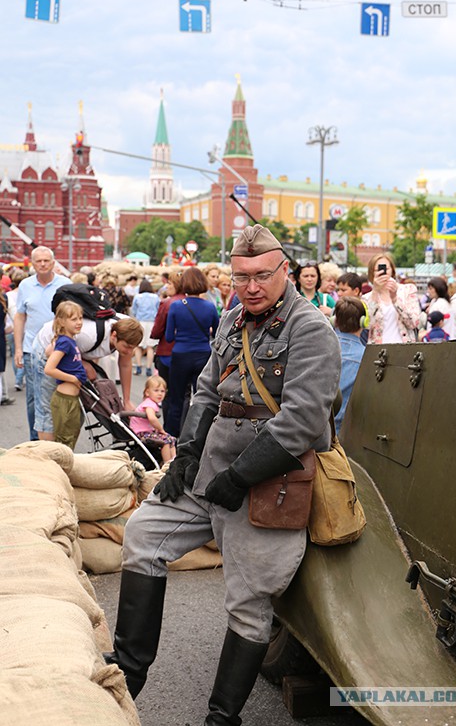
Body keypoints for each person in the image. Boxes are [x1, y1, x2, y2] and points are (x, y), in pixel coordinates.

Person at [105, 224, 340, 724]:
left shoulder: (311, 329)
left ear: (285, 272)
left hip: (270, 485)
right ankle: (127, 672)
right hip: (211, 473)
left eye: (261, 276)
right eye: (241, 277)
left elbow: (302, 421)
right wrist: (187, 456)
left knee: (248, 603)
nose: (251, 287)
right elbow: (208, 392)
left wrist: (240, 477)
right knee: (144, 534)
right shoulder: (234, 319)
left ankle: (221, 717)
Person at [32, 316, 143, 439]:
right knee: (48, 409)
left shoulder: (130, 331)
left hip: (75, 353)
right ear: (114, 335)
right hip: (49, 349)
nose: (129, 351)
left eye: (133, 347)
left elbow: (125, 364)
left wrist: (126, 400)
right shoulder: (88, 336)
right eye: (127, 346)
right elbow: (53, 350)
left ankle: (63, 446)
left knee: (74, 410)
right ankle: (45, 452)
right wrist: (83, 365)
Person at [13, 246, 71, 440]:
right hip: (31, 350)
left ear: (53, 263)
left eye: (46, 260)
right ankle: (35, 441)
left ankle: (59, 440)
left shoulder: (65, 284)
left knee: (60, 396)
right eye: (39, 261)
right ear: (33, 264)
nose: (43, 264)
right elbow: (20, 317)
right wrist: (19, 348)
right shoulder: (25, 286)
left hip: (60, 351)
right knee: (33, 399)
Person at [165, 268, 219, 438]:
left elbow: (168, 337)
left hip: (180, 354)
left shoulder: (176, 306)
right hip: (203, 354)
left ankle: (172, 437)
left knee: (177, 399)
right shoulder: (210, 307)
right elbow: (216, 335)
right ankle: (199, 435)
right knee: (203, 398)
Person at [43, 301, 87, 449]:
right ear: (61, 321)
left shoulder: (68, 340)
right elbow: (49, 369)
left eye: (80, 318)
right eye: (74, 319)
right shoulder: (65, 342)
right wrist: (73, 378)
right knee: (64, 441)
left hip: (72, 398)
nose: (79, 322)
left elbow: (48, 352)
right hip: (64, 400)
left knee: (71, 437)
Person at [150, 270, 184, 424]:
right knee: (184, 393)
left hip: (167, 352)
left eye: (169, 283)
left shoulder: (167, 303)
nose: (167, 286)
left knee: (167, 393)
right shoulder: (192, 302)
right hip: (188, 353)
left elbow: (157, 331)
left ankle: (169, 428)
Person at [363, 253, 420, 344]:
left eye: (386, 268)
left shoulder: (407, 290)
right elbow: (367, 325)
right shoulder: (366, 298)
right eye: (377, 270)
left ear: (392, 270)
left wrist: (395, 299)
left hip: (404, 348)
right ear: (372, 273)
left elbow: (413, 323)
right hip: (378, 351)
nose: (382, 272)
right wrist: (375, 292)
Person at [332, 297, 366, 433]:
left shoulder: (318, 348)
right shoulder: (366, 357)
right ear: (364, 322)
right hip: (346, 433)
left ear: (334, 321)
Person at [129, 376, 176, 465]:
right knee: (165, 441)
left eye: (162, 391)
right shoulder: (149, 404)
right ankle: (167, 464)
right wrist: (160, 429)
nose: (160, 394)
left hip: (146, 432)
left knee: (171, 438)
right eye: (156, 390)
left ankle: (174, 460)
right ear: (147, 392)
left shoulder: (151, 402)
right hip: (141, 433)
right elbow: (152, 418)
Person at [131, 279, 160, 376]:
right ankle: (148, 368)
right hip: (152, 322)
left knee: (139, 346)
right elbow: (158, 309)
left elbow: (134, 310)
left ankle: (138, 367)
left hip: (141, 322)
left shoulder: (138, 297)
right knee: (150, 347)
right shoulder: (155, 297)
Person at [6, 270, 26, 391]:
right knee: (25, 352)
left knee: (16, 354)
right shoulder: (26, 293)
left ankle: (18, 378)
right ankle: (19, 379)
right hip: (25, 327)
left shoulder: (8, 295)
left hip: (11, 328)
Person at [336, 272, 368, 345]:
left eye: (343, 290)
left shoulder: (365, 308)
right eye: (338, 290)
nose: (339, 293)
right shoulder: (336, 308)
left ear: (356, 291)